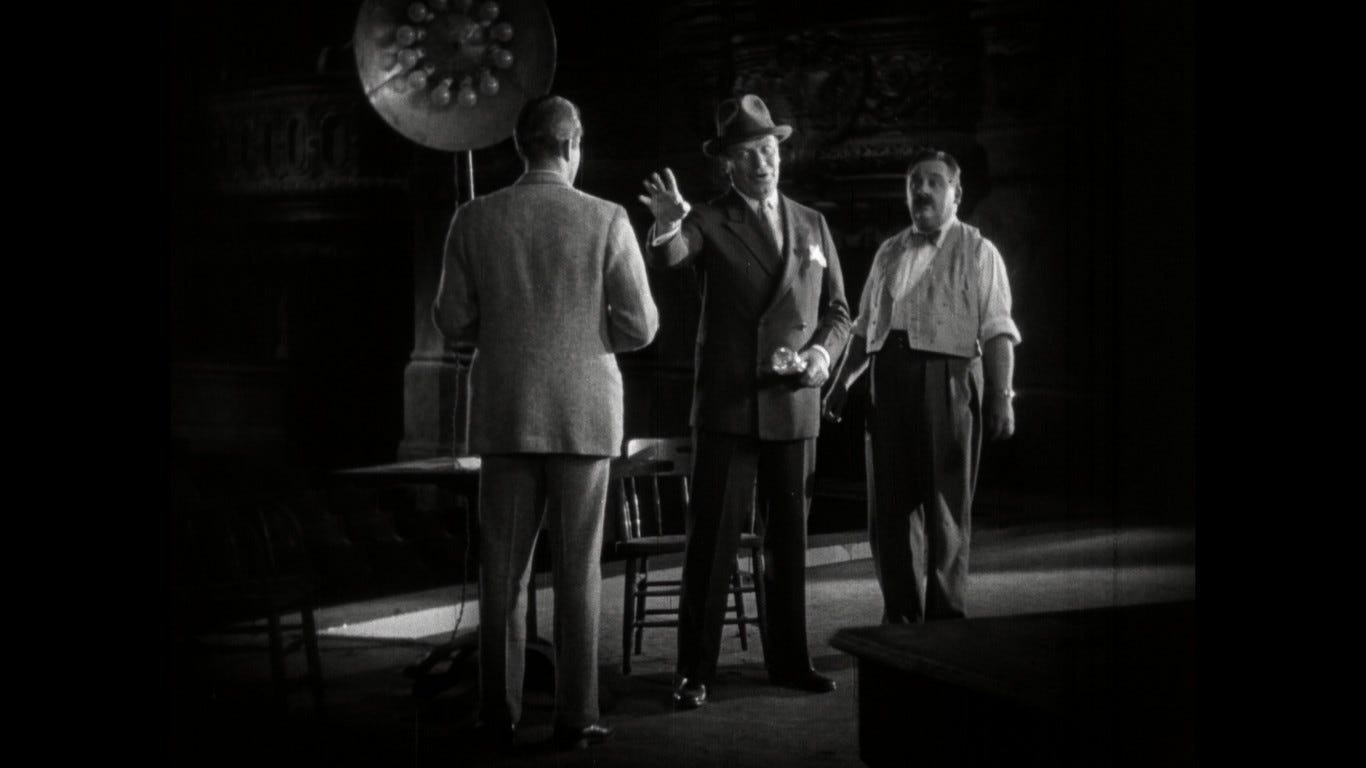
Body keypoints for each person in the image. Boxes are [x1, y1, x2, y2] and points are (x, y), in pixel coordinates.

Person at [433, 94, 658, 750]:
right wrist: (592, 335)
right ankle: (576, 715)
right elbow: (641, 326)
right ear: (570, 144)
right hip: (585, 413)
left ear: (521, 146)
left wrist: (502, 330)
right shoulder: (607, 218)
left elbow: (452, 321)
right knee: (579, 571)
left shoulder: (474, 218)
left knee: (502, 573)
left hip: (506, 413)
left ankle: (496, 714)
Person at [638, 94, 851, 709]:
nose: (763, 161)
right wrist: (668, 223)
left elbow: (839, 312)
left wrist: (821, 357)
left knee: (790, 545)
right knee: (712, 547)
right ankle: (694, 671)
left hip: (794, 402)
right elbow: (674, 254)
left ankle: (790, 662)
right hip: (730, 407)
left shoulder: (812, 223)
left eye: (769, 149)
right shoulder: (709, 218)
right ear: (727, 163)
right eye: (749, 153)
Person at [823, 147, 1020, 624]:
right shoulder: (889, 251)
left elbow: (997, 329)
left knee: (946, 507)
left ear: (956, 192)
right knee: (888, 510)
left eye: (934, 181)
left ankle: (945, 621)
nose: (923, 190)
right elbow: (865, 328)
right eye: (915, 183)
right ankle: (901, 620)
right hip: (887, 384)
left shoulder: (979, 250)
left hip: (948, 382)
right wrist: (842, 384)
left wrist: (1001, 395)